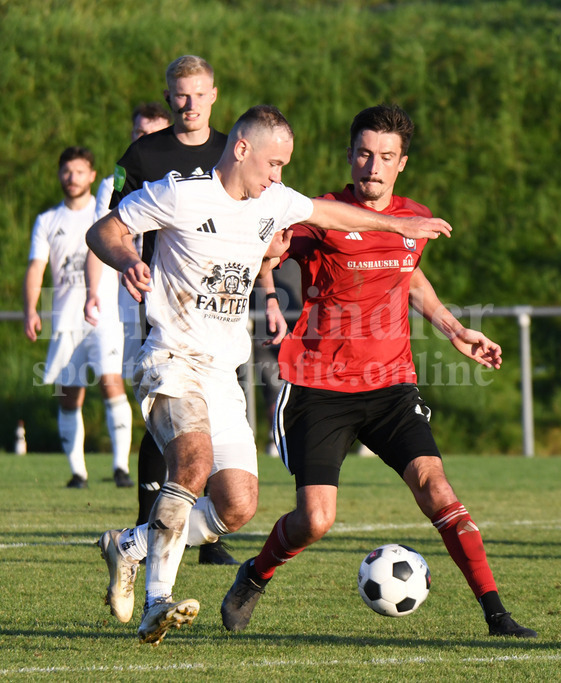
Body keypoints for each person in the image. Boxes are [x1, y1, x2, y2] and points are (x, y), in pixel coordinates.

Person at [87, 104, 452, 645]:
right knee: (193, 462)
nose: (279, 178)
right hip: (170, 357)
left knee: (237, 505)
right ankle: (157, 601)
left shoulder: (272, 200)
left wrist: (399, 224)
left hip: (221, 372)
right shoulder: (180, 192)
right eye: (274, 164)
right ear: (241, 150)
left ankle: (133, 546)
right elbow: (105, 231)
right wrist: (128, 261)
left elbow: (336, 216)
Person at [217, 105, 536, 640]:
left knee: (435, 485)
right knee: (315, 521)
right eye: (364, 154)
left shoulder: (414, 219)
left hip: (390, 383)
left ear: (401, 163)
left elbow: (410, 278)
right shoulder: (320, 213)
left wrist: (456, 330)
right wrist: (269, 294)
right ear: (350, 156)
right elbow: (268, 251)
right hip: (318, 385)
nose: (373, 165)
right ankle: (256, 573)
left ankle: (496, 614)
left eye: (386, 157)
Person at [88, 54, 285, 566]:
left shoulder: (237, 150)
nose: (189, 102)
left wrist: (267, 291)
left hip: (220, 304)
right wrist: (129, 264)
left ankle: (170, 536)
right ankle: (150, 526)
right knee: (172, 416)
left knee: (210, 422)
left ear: (214, 94)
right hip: (160, 300)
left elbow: (260, 232)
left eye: (199, 92)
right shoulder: (141, 156)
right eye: (180, 93)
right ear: (170, 94)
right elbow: (114, 225)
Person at [23, 147, 133, 489]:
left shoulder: (105, 213)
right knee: (69, 392)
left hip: (104, 314)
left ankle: (121, 468)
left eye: (80, 171)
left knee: (110, 382)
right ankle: (78, 473)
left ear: (91, 174)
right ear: (60, 175)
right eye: (67, 171)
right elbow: (36, 267)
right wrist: (31, 309)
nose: (72, 178)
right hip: (67, 317)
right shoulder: (48, 220)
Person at [94, 102, 173, 378]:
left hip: (178, 291)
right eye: (140, 132)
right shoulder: (114, 184)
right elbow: (104, 237)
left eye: (154, 134)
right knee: (142, 375)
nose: (145, 141)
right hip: (134, 292)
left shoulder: (180, 183)